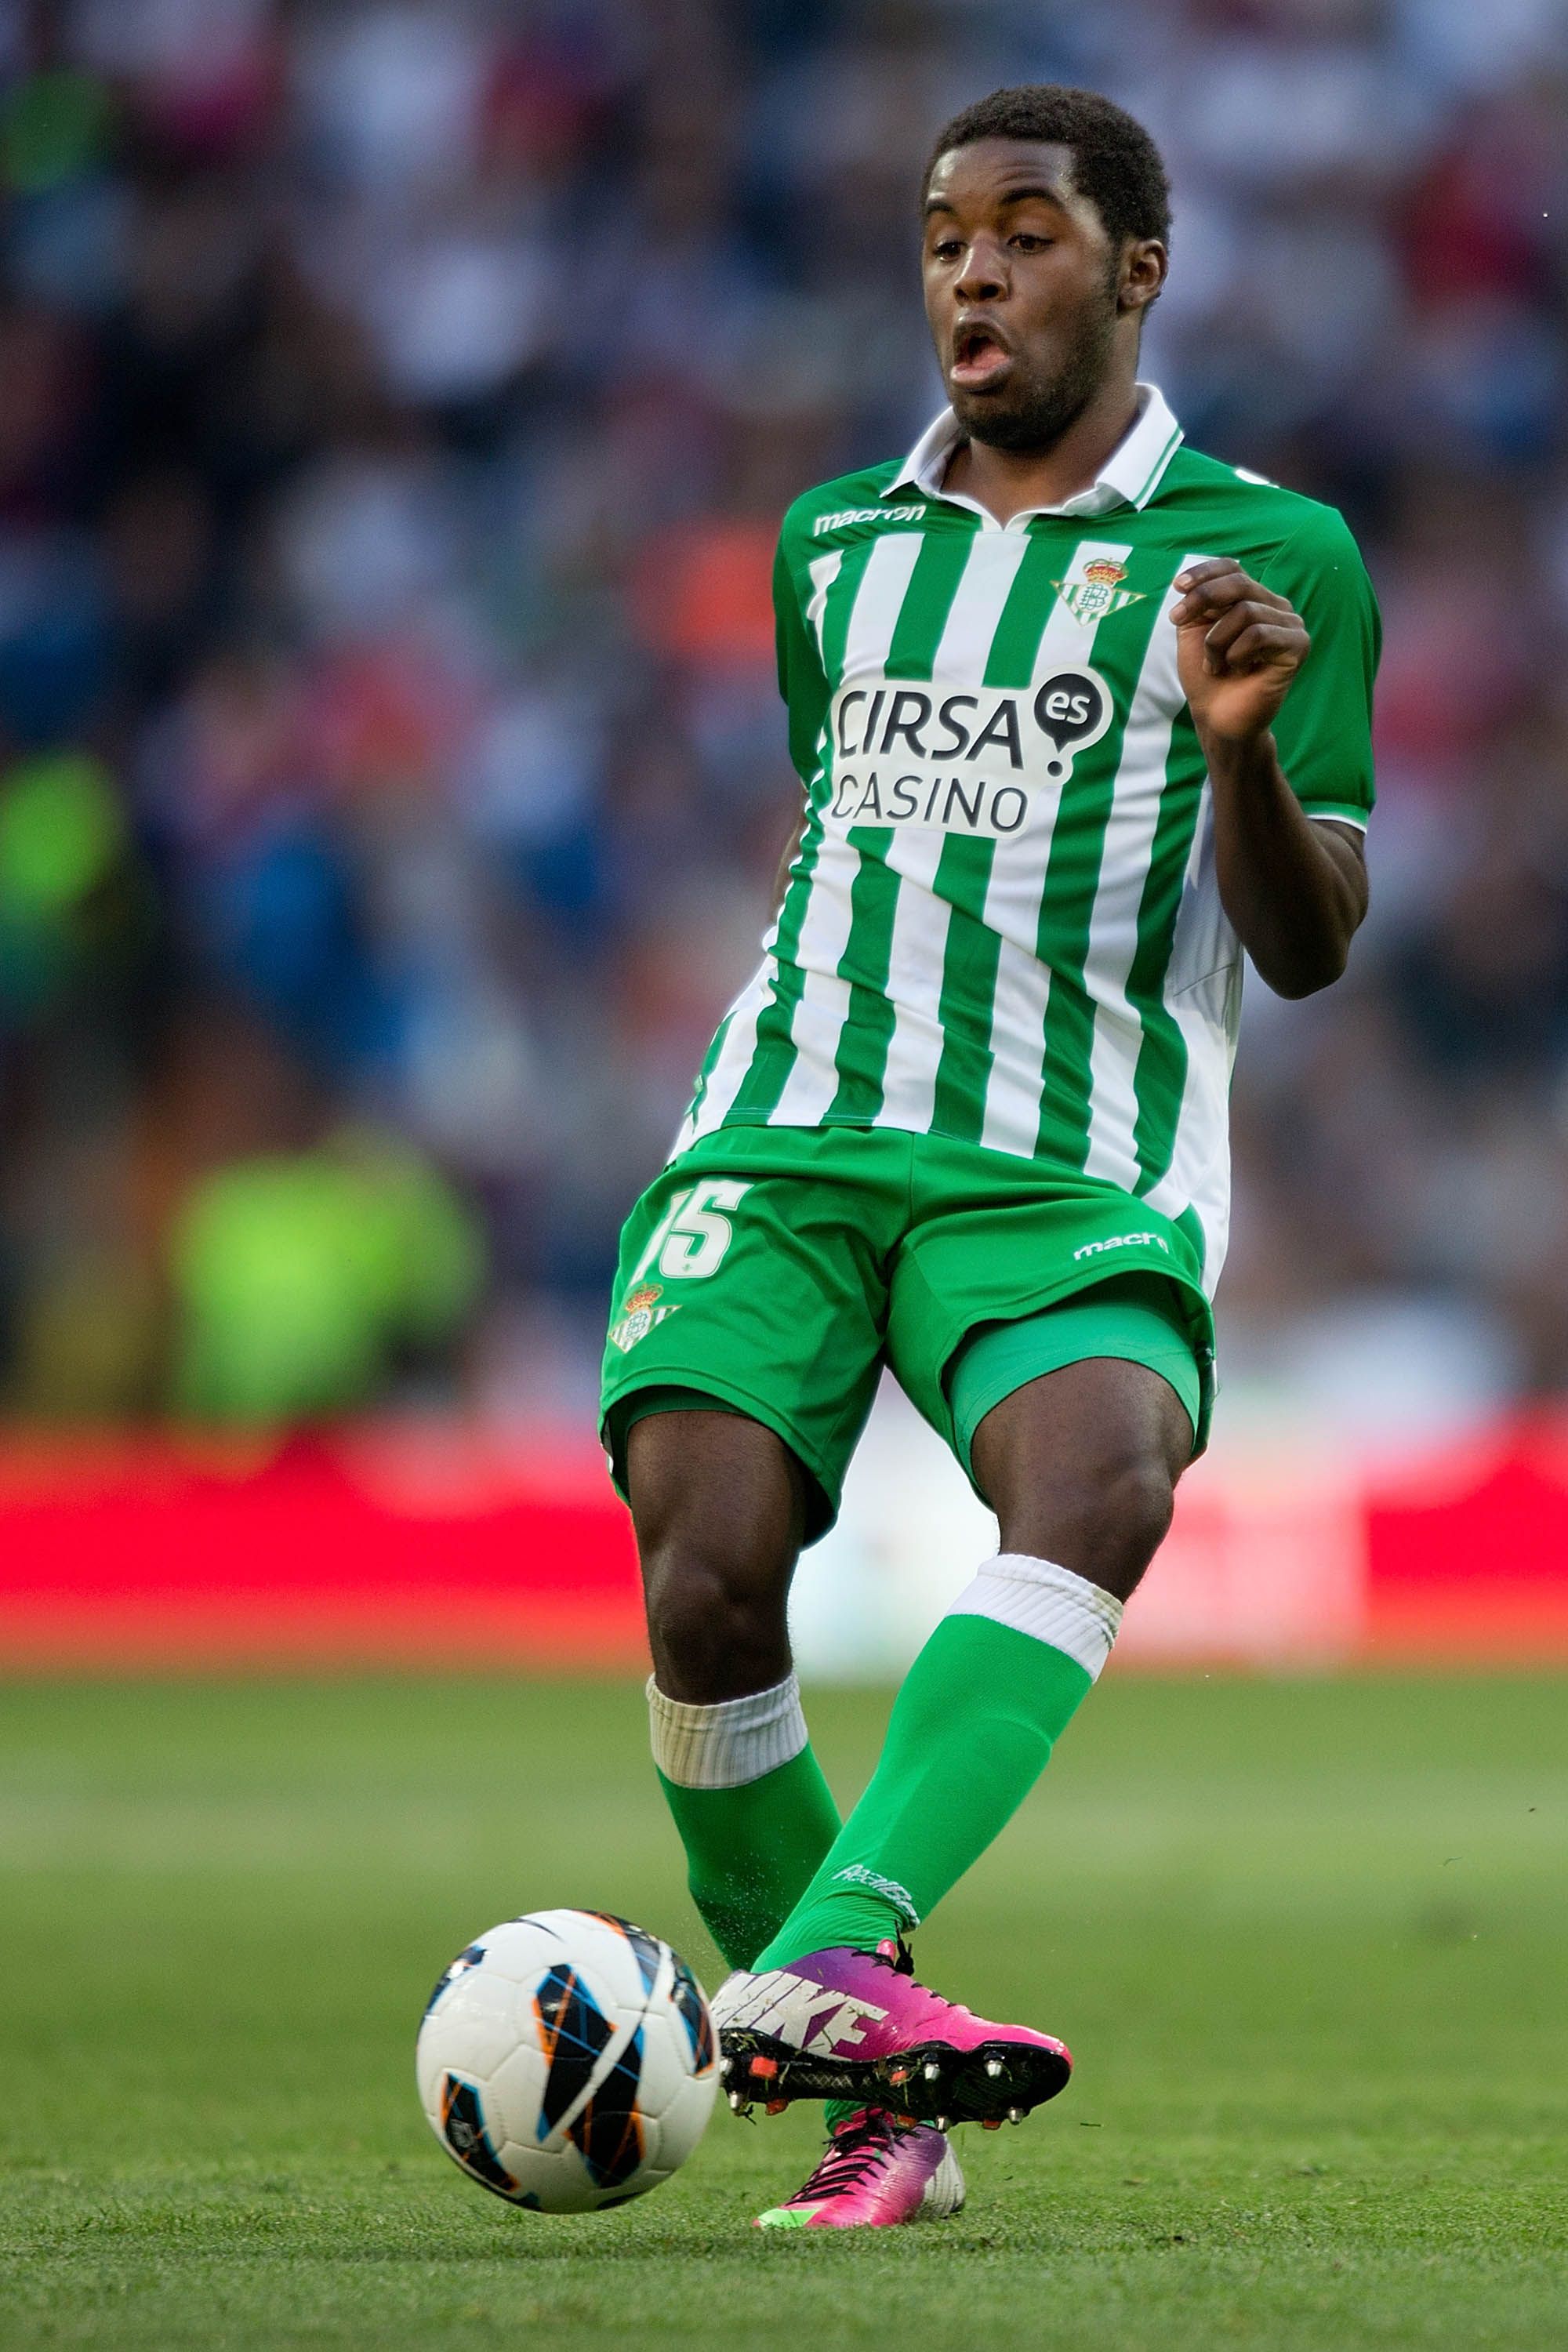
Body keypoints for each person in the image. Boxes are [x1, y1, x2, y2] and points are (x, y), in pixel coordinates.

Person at [599, 82, 1377, 2231]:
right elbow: (838, 820)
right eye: (946, 235)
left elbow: (1308, 942)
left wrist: (1236, 758)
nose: (971, 270)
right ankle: (877, 2094)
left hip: (1067, 1157)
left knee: (1106, 1469)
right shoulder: (832, 544)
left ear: (1135, 272)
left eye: (1025, 233)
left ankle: (822, 1957)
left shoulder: (1269, 558)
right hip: (793, 1123)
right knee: (702, 1565)